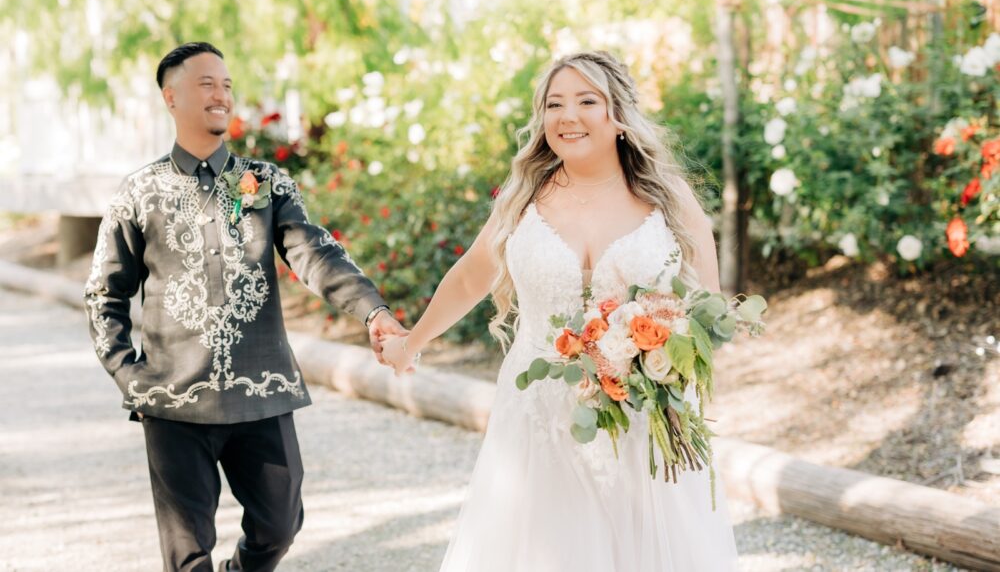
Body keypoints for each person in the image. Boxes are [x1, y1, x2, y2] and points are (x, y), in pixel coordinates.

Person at [382, 50, 738, 570]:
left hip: (643, 417)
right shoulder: (523, 199)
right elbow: (469, 278)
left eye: (586, 101)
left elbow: (708, 309)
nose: (567, 116)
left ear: (618, 115)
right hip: (537, 421)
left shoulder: (668, 199)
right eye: (554, 104)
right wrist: (409, 344)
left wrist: (662, 359)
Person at [84, 42, 406, 572]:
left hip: (263, 390)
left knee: (279, 526)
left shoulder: (265, 182)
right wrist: (128, 376)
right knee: (188, 555)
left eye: (227, 84)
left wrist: (374, 311)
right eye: (207, 83)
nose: (222, 94)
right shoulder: (140, 191)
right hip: (172, 397)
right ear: (171, 97)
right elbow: (104, 293)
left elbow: (314, 254)